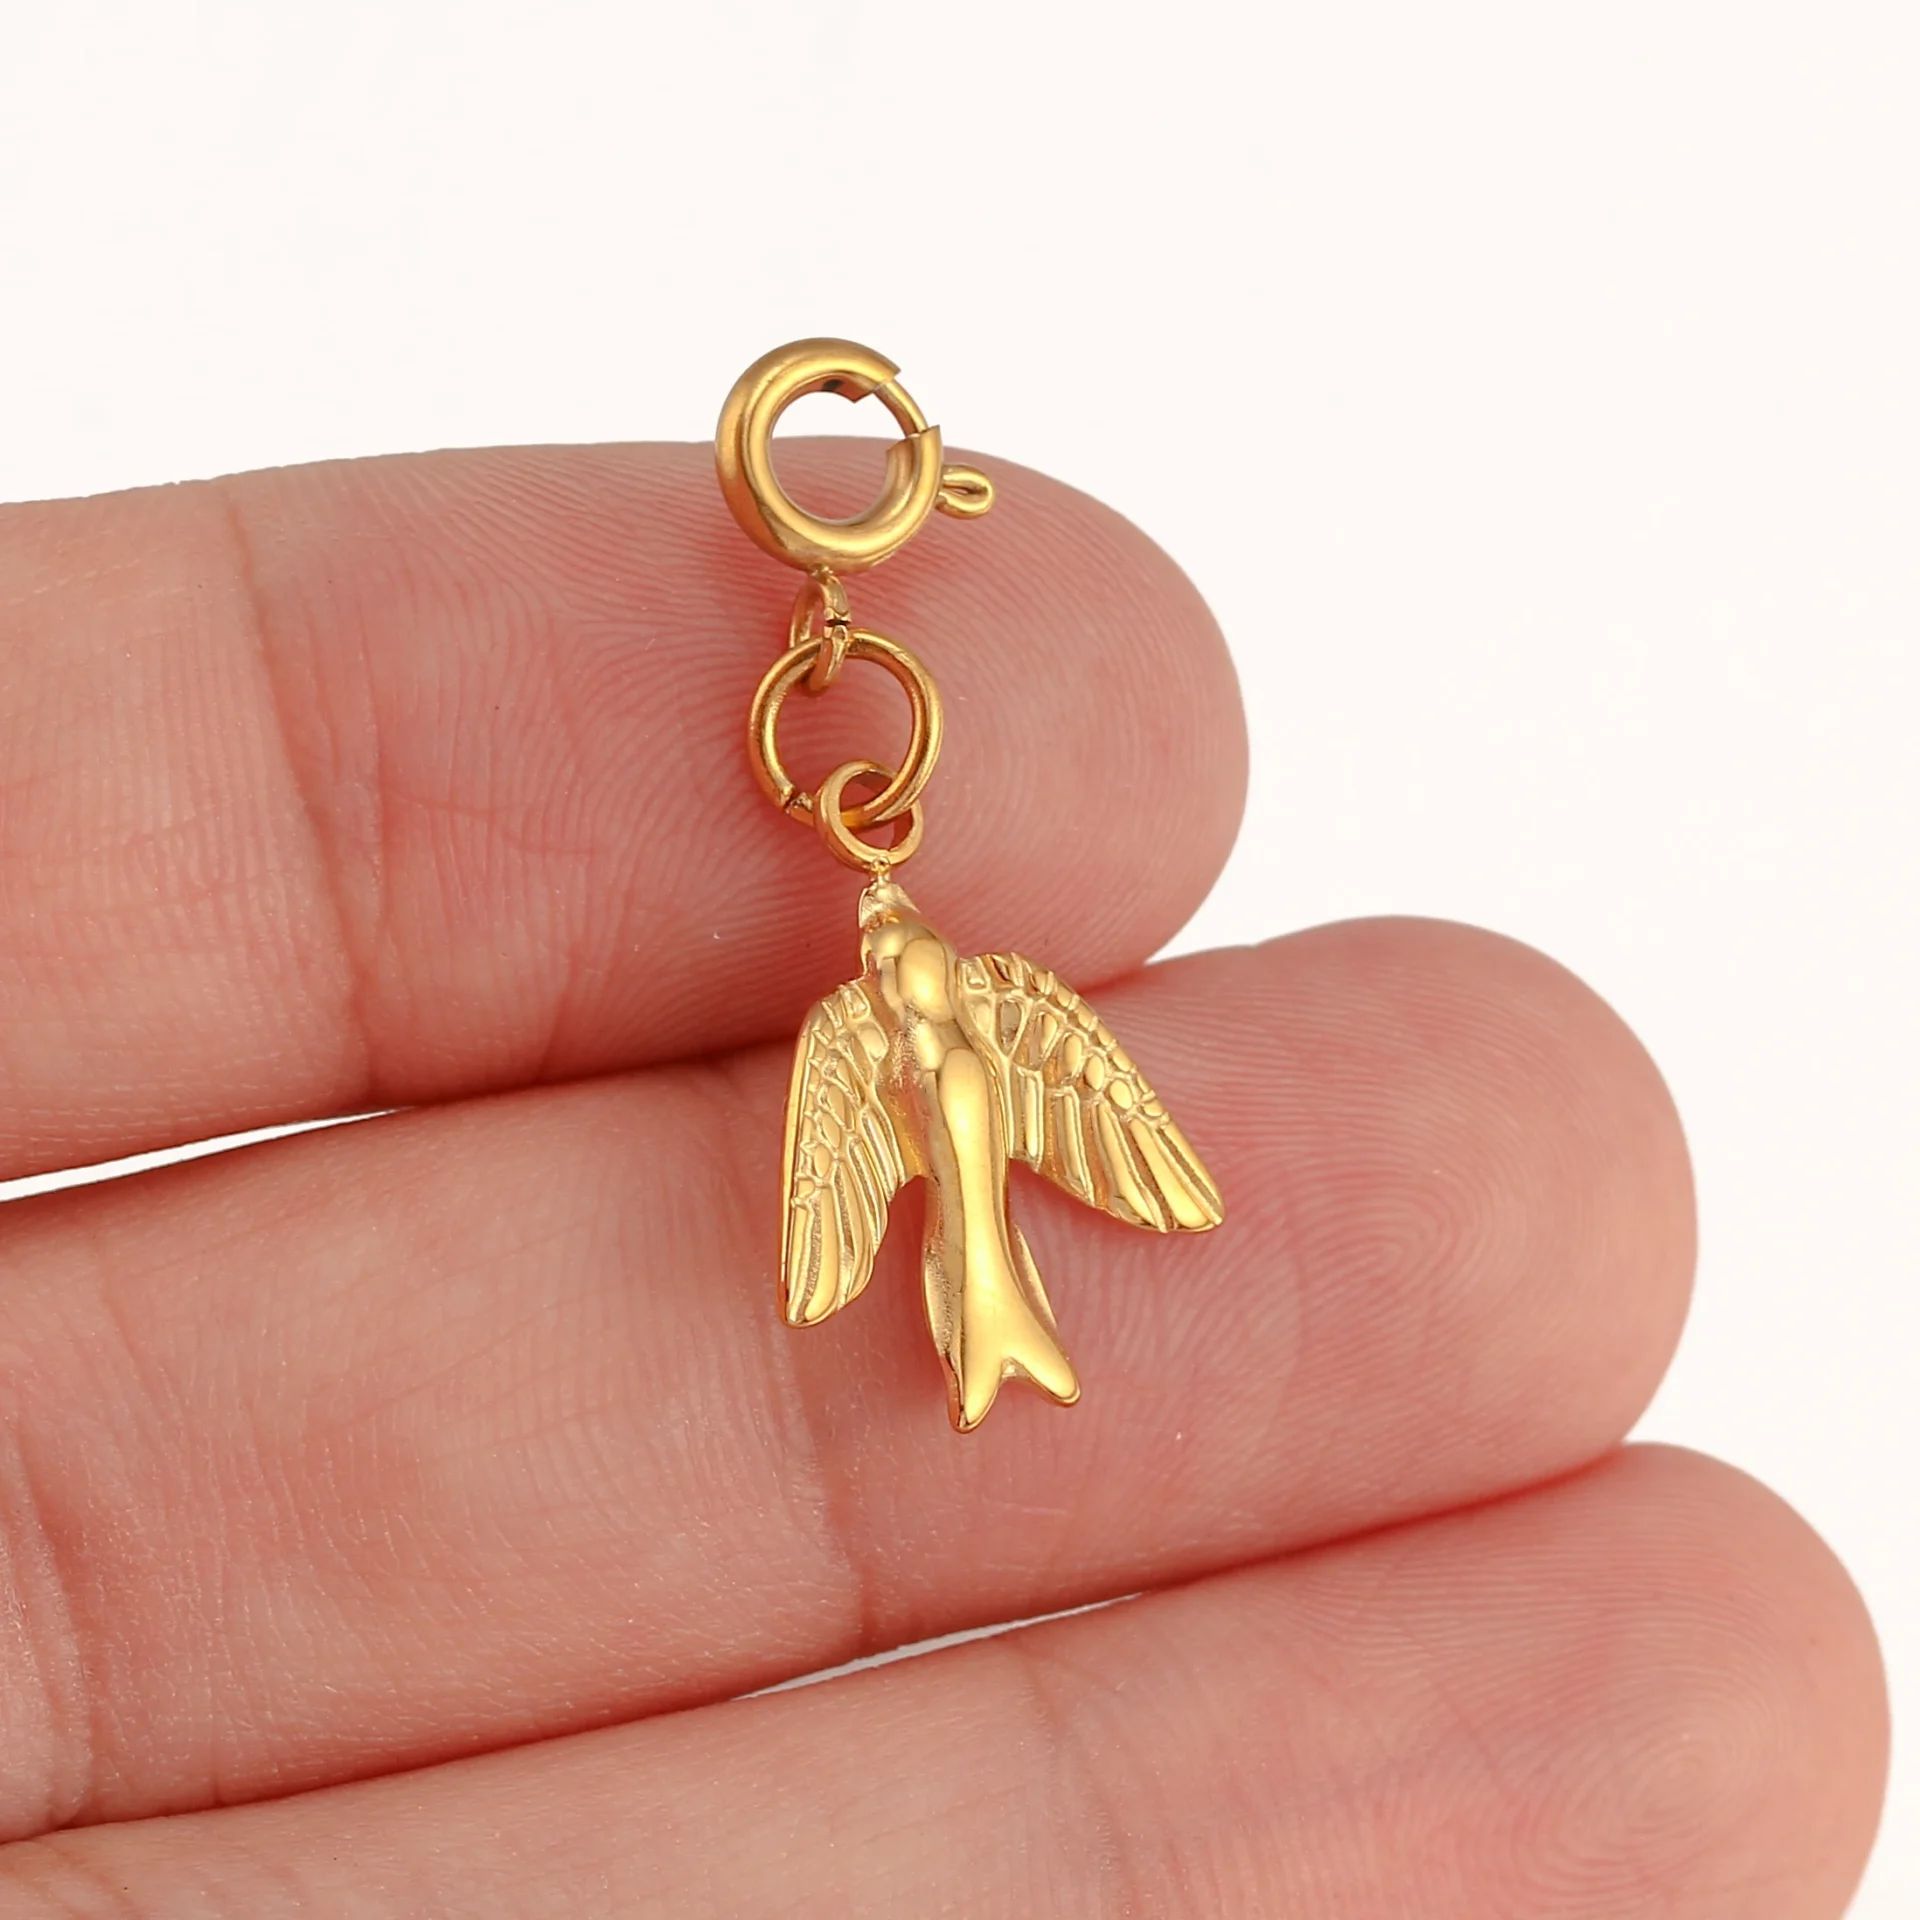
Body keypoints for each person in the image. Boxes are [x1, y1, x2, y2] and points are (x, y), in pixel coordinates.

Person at [0, 438, 1887, 1913]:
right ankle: (990, 1317)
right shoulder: (864, 1036)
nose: (895, 945)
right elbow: (841, 1181)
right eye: (887, 943)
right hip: (943, 1176)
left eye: (906, 941)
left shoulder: (989, 1008)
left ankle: (1001, 1317)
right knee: (968, 1242)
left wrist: (1049, 1113)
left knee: (1007, 1226)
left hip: (984, 1146)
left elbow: (1112, 1128)